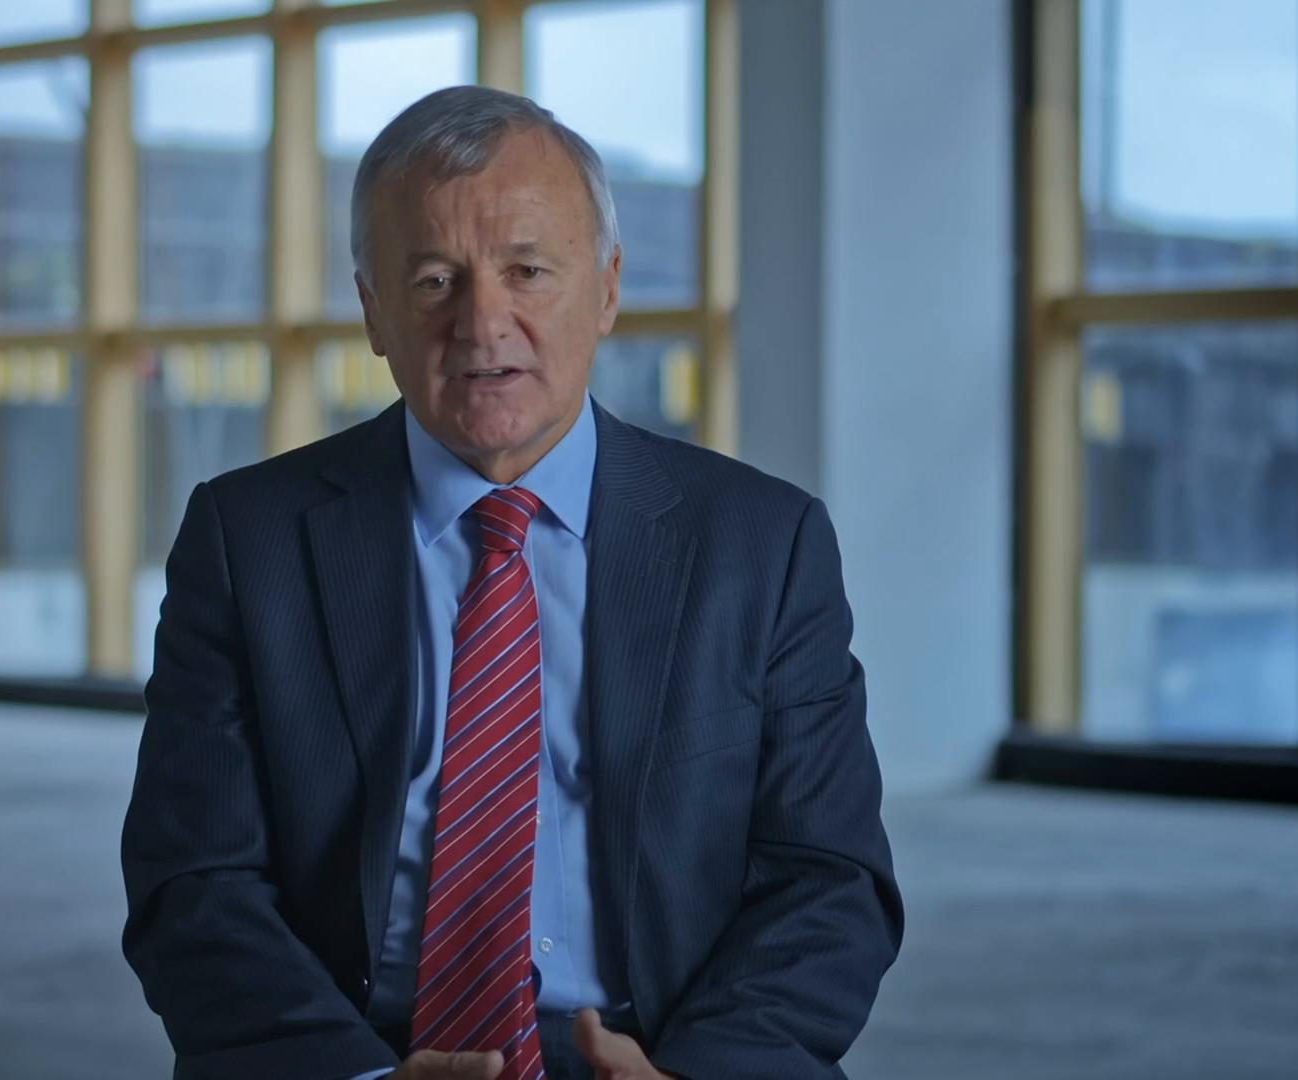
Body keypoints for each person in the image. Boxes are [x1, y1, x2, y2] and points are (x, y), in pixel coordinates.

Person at [120, 84, 903, 1080]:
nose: (483, 324)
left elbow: (828, 877)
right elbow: (194, 878)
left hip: (659, 1050)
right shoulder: (249, 541)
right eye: (434, 280)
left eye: (527, 271)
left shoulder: (761, 543)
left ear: (607, 291)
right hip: (364, 1051)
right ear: (372, 311)